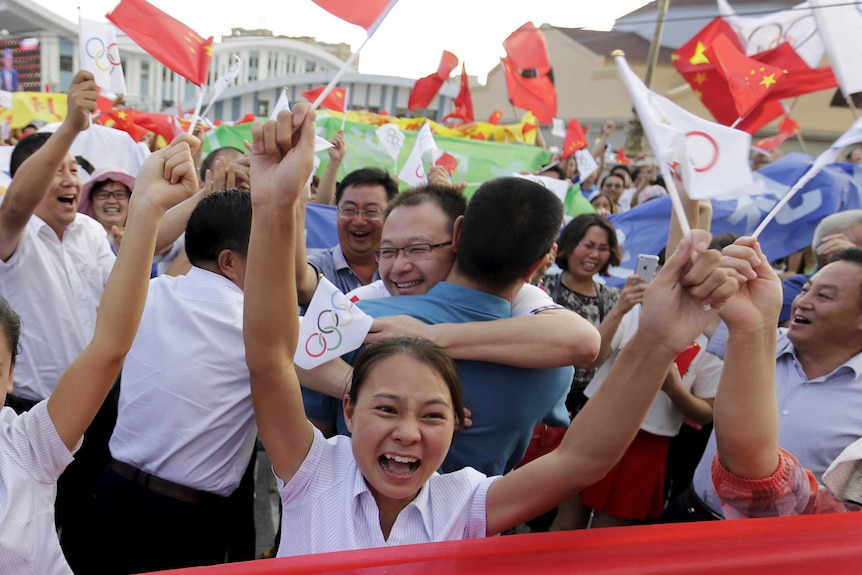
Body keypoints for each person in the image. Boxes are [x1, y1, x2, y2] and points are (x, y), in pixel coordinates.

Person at [243, 105, 741, 556]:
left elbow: (581, 458)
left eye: (433, 415)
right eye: (387, 407)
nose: (407, 432)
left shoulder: (464, 503)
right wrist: (272, 205)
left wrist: (657, 342)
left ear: (460, 419)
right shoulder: (314, 472)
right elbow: (270, 357)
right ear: (349, 403)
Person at [0, 133, 199, 574]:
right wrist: (73, 122)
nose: (69, 177)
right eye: (55, 168)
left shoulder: (90, 232)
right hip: (28, 411)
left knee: (82, 520)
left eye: (74, 168)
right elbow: (15, 206)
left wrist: (204, 195)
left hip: (94, 405)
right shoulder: (11, 233)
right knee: (29, 520)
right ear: (26, 178)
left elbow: (140, 249)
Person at [83, 189, 256, 574]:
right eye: (269, 249)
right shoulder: (259, 328)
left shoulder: (152, 293)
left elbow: (150, 247)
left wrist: (206, 198)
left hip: (110, 497)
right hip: (185, 523)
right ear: (230, 260)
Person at [665, 242, 862, 521]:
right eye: (805, 290)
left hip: (774, 552)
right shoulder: (755, 338)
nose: (803, 302)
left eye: (824, 297)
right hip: (690, 514)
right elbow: (689, 304)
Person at [542, 213, 647, 415]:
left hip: (584, 404)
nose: (594, 255)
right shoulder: (542, 287)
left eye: (602, 248)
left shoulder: (614, 298)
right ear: (569, 245)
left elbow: (593, 360)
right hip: (540, 395)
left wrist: (620, 310)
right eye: (588, 245)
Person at [296, 167, 399, 306]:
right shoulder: (321, 266)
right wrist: (297, 206)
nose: (359, 221)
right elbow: (301, 283)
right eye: (349, 210)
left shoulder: (403, 270)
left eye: (371, 211)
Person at [78, 167, 135, 252]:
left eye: (119, 194)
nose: (112, 201)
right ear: (91, 201)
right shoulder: (79, 241)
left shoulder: (143, 241)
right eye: (103, 195)